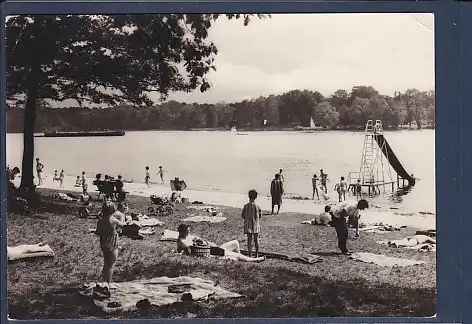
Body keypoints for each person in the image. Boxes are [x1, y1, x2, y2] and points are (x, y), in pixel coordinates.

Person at [176, 224, 265, 262]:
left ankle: (242, 258)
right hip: (212, 252)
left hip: (215, 248)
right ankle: (254, 260)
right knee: (237, 255)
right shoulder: (181, 241)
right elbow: (183, 251)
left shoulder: (190, 237)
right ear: (182, 232)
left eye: (189, 231)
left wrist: (205, 241)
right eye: (187, 231)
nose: (188, 232)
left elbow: (207, 242)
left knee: (236, 242)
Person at [95, 202, 125, 295]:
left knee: (106, 263)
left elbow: (98, 232)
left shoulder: (100, 221)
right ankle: (108, 284)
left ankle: (104, 281)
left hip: (103, 243)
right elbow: (122, 225)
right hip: (112, 243)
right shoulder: (113, 220)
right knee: (111, 264)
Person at [242, 189, 262, 258]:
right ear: (256, 197)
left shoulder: (246, 206)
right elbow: (260, 216)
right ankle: (256, 254)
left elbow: (243, 215)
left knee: (249, 239)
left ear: (248, 196)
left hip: (248, 224)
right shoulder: (257, 206)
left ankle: (250, 254)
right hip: (256, 224)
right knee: (256, 240)